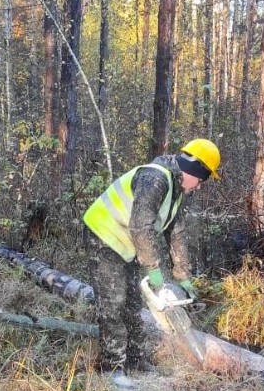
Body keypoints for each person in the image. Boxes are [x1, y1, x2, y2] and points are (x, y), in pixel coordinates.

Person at [82, 139, 221, 373]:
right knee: (113, 304)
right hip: (103, 235)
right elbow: (140, 226)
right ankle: (112, 369)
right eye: (201, 180)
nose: (199, 187)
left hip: (126, 243)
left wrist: (183, 278)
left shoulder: (176, 191)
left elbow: (176, 233)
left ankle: (135, 361)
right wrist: (153, 269)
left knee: (133, 304)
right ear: (194, 169)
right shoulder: (155, 179)